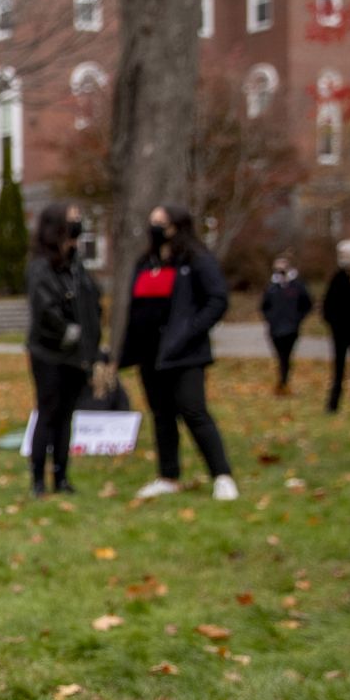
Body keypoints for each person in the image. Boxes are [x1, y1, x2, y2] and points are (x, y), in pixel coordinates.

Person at [116, 204, 236, 501]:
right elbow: (135, 307)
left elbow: (217, 299)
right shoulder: (147, 261)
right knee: (161, 415)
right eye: (152, 222)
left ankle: (222, 475)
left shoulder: (195, 259)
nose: (154, 228)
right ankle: (168, 475)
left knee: (193, 410)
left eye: (161, 223)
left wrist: (191, 331)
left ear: (177, 226)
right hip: (150, 353)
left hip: (184, 353)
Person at [24, 204, 103, 497]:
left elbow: (91, 305)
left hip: (77, 354)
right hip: (49, 353)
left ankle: (61, 476)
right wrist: (65, 330)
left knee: (67, 415)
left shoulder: (77, 266)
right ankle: (38, 479)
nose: (77, 225)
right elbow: (45, 309)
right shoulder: (41, 267)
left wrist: (91, 346)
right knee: (48, 412)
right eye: (72, 220)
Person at [322, 238, 350, 413]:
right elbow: (328, 305)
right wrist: (333, 323)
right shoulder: (338, 277)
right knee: (338, 369)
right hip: (340, 332)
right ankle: (333, 404)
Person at [259, 254, 312, 396]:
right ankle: (282, 383)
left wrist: (297, 319)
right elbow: (264, 307)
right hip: (275, 329)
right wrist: (271, 319)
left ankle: (283, 383)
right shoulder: (271, 287)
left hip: (291, 329)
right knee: (280, 357)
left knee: (286, 357)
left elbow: (307, 304)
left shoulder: (297, 286)